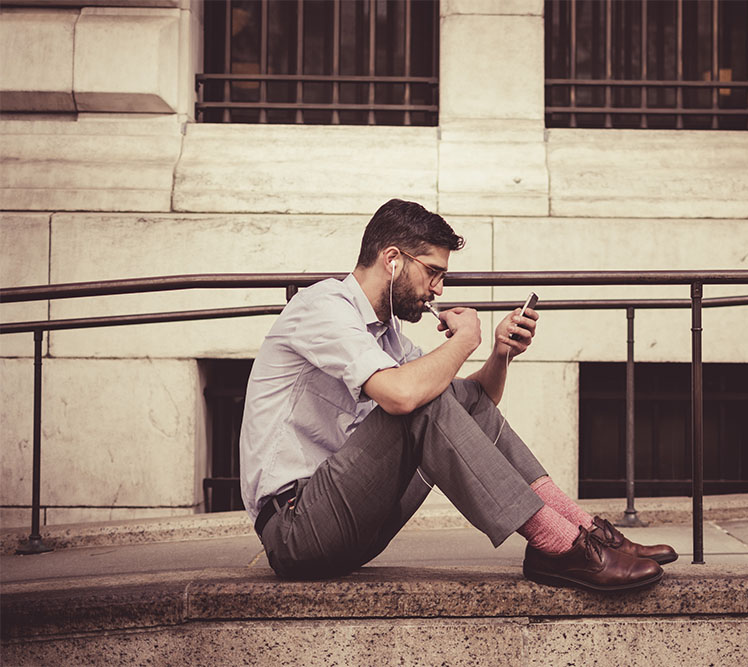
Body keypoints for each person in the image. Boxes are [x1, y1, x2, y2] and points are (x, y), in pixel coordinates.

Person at [240, 199, 677, 592]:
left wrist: (500, 353)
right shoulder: (323, 307)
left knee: (441, 396)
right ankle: (558, 545)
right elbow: (402, 397)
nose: (439, 290)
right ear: (392, 260)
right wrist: (464, 339)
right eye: (433, 272)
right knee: (415, 399)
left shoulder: (388, 335)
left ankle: (584, 533)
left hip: (354, 524)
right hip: (297, 528)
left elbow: (471, 403)